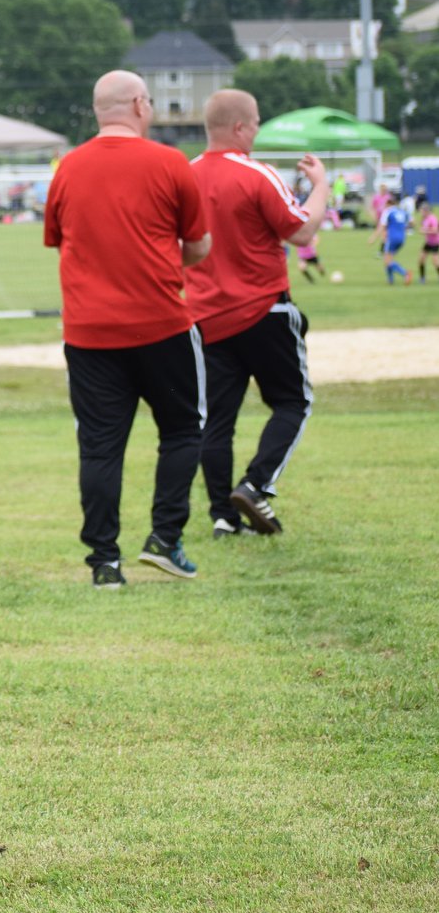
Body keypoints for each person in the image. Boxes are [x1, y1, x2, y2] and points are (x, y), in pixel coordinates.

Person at [44, 71, 210, 587]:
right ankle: (164, 536)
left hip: (90, 332)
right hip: (161, 323)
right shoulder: (169, 162)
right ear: (140, 104)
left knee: (99, 446)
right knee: (182, 429)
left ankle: (104, 562)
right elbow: (199, 245)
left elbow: (57, 239)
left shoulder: (68, 168)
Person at [187, 90, 325, 539]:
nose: (258, 131)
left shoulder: (184, 177)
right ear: (241, 127)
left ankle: (222, 516)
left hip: (206, 317)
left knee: (216, 420)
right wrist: (320, 185)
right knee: (293, 401)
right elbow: (302, 232)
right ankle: (256, 484)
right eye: (257, 123)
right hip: (264, 309)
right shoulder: (255, 173)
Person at [373, 190, 412, 284]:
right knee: (389, 259)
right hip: (402, 238)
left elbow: (382, 226)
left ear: (388, 204)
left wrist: (373, 238)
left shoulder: (388, 212)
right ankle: (390, 281)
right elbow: (411, 222)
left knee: (387, 261)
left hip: (392, 238)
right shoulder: (401, 211)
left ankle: (405, 273)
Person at [418, 195, 437, 284]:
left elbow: (435, 230)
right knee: (421, 259)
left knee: (436, 262)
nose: (421, 211)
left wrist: (424, 230)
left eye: (422, 210)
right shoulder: (424, 218)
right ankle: (422, 278)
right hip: (428, 242)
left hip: (435, 243)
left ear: (427, 210)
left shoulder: (432, 218)